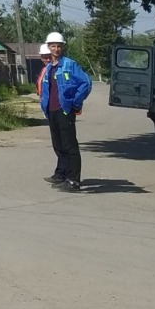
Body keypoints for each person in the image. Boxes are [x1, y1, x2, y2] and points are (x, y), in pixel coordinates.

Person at [35, 31, 91, 190]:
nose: (56, 49)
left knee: (70, 146)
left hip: (65, 110)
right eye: (53, 46)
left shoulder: (69, 64)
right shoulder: (49, 68)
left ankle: (74, 180)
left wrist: (75, 102)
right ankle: (63, 175)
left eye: (59, 46)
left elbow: (85, 83)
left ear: (63, 47)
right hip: (51, 110)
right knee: (58, 145)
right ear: (49, 47)